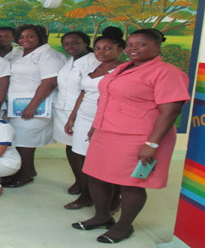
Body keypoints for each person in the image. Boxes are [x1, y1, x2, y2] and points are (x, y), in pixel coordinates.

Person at [72, 29, 189, 244]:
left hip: (138, 136)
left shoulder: (166, 72)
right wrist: (96, 126)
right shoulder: (123, 68)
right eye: (131, 44)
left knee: (131, 183)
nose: (133, 48)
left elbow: (171, 110)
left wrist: (151, 144)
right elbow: (106, 98)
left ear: (156, 47)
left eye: (141, 44)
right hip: (106, 132)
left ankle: (124, 226)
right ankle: (102, 215)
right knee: (95, 175)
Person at [64, 27, 125, 210]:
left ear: (120, 50)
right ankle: (86, 195)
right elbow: (83, 93)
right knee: (81, 157)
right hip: (84, 117)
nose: (101, 52)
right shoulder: (92, 66)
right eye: (98, 48)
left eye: (107, 48)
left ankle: (114, 200)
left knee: (105, 162)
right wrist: (72, 117)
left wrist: (99, 122)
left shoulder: (123, 70)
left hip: (106, 120)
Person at [4, 25, 66, 188]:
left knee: (24, 140)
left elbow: (49, 82)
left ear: (40, 37)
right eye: (21, 37)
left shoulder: (48, 55)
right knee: (22, 139)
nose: (25, 40)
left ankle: (24, 175)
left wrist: (32, 106)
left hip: (36, 105)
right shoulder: (19, 53)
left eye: (30, 36)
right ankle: (29, 170)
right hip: (18, 105)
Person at [53, 31, 98, 196]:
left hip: (82, 112)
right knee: (70, 147)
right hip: (63, 110)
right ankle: (79, 181)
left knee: (83, 150)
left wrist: (74, 115)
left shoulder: (93, 61)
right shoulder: (68, 61)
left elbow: (88, 90)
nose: (70, 46)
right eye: (66, 44)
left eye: (75, 42)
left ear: (85, 43)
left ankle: (88, 188)